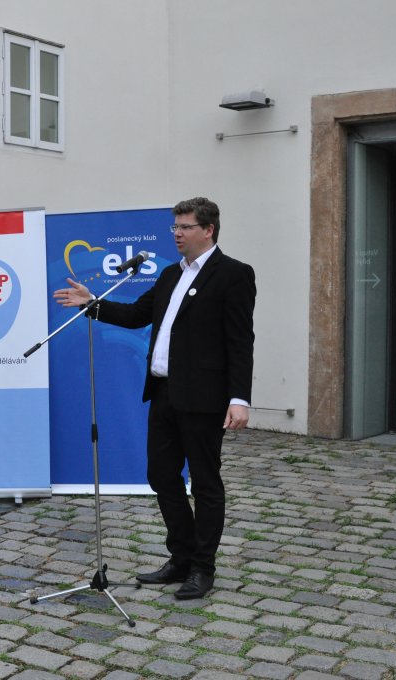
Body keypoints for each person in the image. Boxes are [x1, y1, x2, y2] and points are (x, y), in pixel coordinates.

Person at [54, 197, 255, 600]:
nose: (177, 234)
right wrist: (92, 303)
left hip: (204, 398)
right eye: (175, 227)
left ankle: (202, 567)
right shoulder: (169, 274)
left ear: (208, 230)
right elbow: (136, 315)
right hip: (164, 394)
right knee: (161, 476)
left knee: (205, 483)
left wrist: (239, 398)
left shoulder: (233, 274)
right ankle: (181, 556)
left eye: (185, 227)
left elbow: (240, 340)